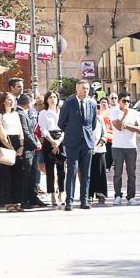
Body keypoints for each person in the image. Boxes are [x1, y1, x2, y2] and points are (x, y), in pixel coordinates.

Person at [58, 81, 97, 211]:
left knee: (86, 173)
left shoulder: (92, 104)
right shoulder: (69, 104)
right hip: (72, 143)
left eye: (87, 88)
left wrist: (88, 136)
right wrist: (71, 132)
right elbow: (61, 123)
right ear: (77, 89)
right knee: (72, 172)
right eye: (83, 88)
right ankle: (69, 201)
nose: (85, 90)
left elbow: (93, 124)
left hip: (87, 143)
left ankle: (84, 200)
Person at [109, 92, 140, 205]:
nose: (127, 103)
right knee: (118, 172)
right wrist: (124, 116)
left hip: (131, 146)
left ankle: (131, 196)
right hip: (118, 146)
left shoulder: (135, 112)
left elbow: (138, 128)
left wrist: (126, 126)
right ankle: (118, 195)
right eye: (124, 101)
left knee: (131, 173)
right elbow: (118, 127)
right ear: (119, 102)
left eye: (128, 101)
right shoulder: (114, 111)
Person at [0, 93, 24, 212]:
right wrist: (10, 147)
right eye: (9, 100)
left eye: (13, 100)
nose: (11, 102)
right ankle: (7, 202)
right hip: (6, 144)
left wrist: (21, 146)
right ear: (3, 101)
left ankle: (17, 200)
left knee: (18, 174)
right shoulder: (0, 115)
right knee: (6, 175)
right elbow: (1, 136)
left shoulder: (16, 114)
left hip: (17, 143)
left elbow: (20, 130)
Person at [16, 94, 47, 209]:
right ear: (28, 103)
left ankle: (33, 197)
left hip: (31, 149)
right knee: (26, 175)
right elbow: (25, 131)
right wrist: (35, 143)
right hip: (27, 149)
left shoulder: (25, 113)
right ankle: (24, 200)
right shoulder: (20, 114)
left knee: (32, 175)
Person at [89, 99, 109, 204]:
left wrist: (99, 144)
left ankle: (101, 193)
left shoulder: (99, 119)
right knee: (89, 173)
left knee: (100, 172)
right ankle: (89, 194)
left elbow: (104, 134)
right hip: (88, 150)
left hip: (100, 149)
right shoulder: (84, 120)